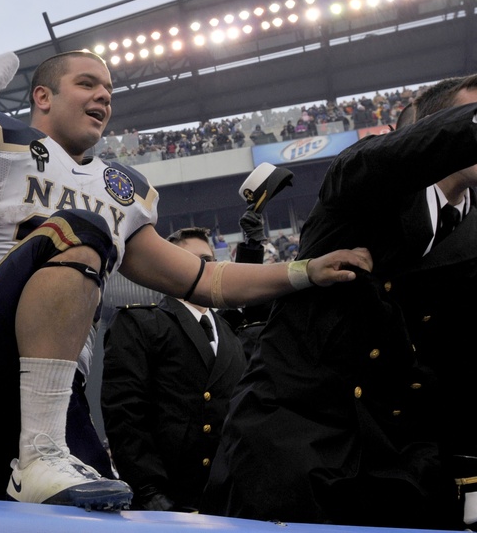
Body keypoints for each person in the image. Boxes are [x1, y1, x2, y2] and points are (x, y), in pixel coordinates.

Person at [0, 48, 371, 509]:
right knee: (82, 230)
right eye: (87, 84)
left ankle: (44, 448)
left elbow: (207, 281)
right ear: (42, 96)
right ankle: (40, 452)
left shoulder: (122, 190)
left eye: (109, 89)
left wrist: (302, 271)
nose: (104, 96)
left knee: (96, 511)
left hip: (61, 387)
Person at [202, 76, 477, 529]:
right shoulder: (365, 184)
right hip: (297, 440)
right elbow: (380, 159)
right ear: (429, 131)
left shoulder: (470, 231)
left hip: (401, 460)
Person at [101, 228, 247, 512]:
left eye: (207, 259)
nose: (201, 268)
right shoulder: (141, 322)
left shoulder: (230, 331)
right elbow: (125, 413)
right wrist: (148, 490)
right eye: (190, 260)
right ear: (168, 267)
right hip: (171, 499)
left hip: (229, 499)